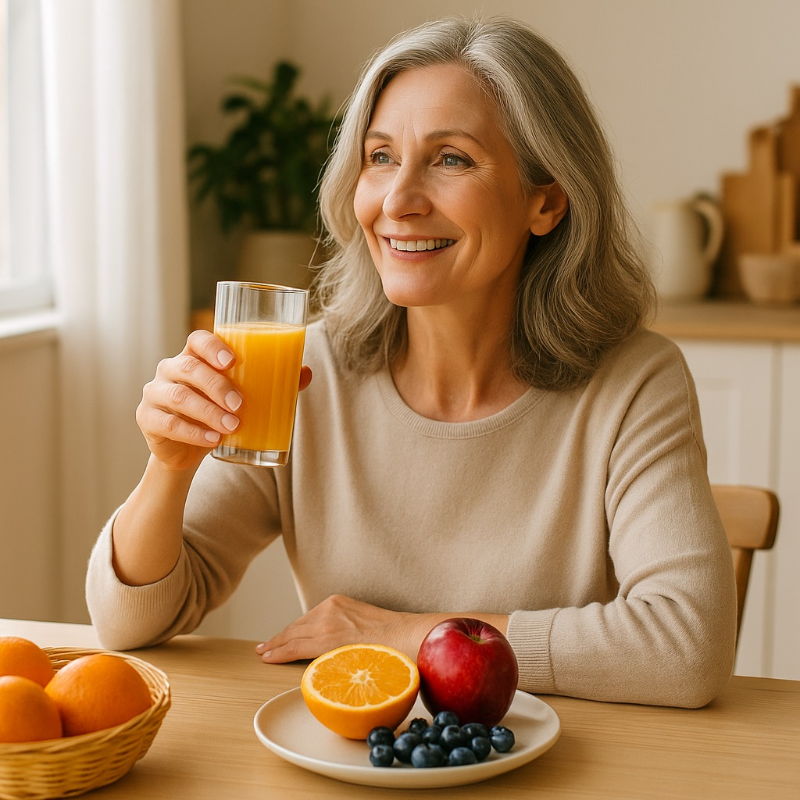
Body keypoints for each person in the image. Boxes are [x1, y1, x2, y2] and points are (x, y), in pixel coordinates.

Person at [86, 15, 737, 708]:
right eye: (380, 157)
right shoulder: (305, 372)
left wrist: (404, 634)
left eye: (451, 159)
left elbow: (687, 649)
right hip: (355, 759)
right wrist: (170, 465)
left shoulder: (635, 382)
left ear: (545, 202)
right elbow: (130, 623)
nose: (398, 201)